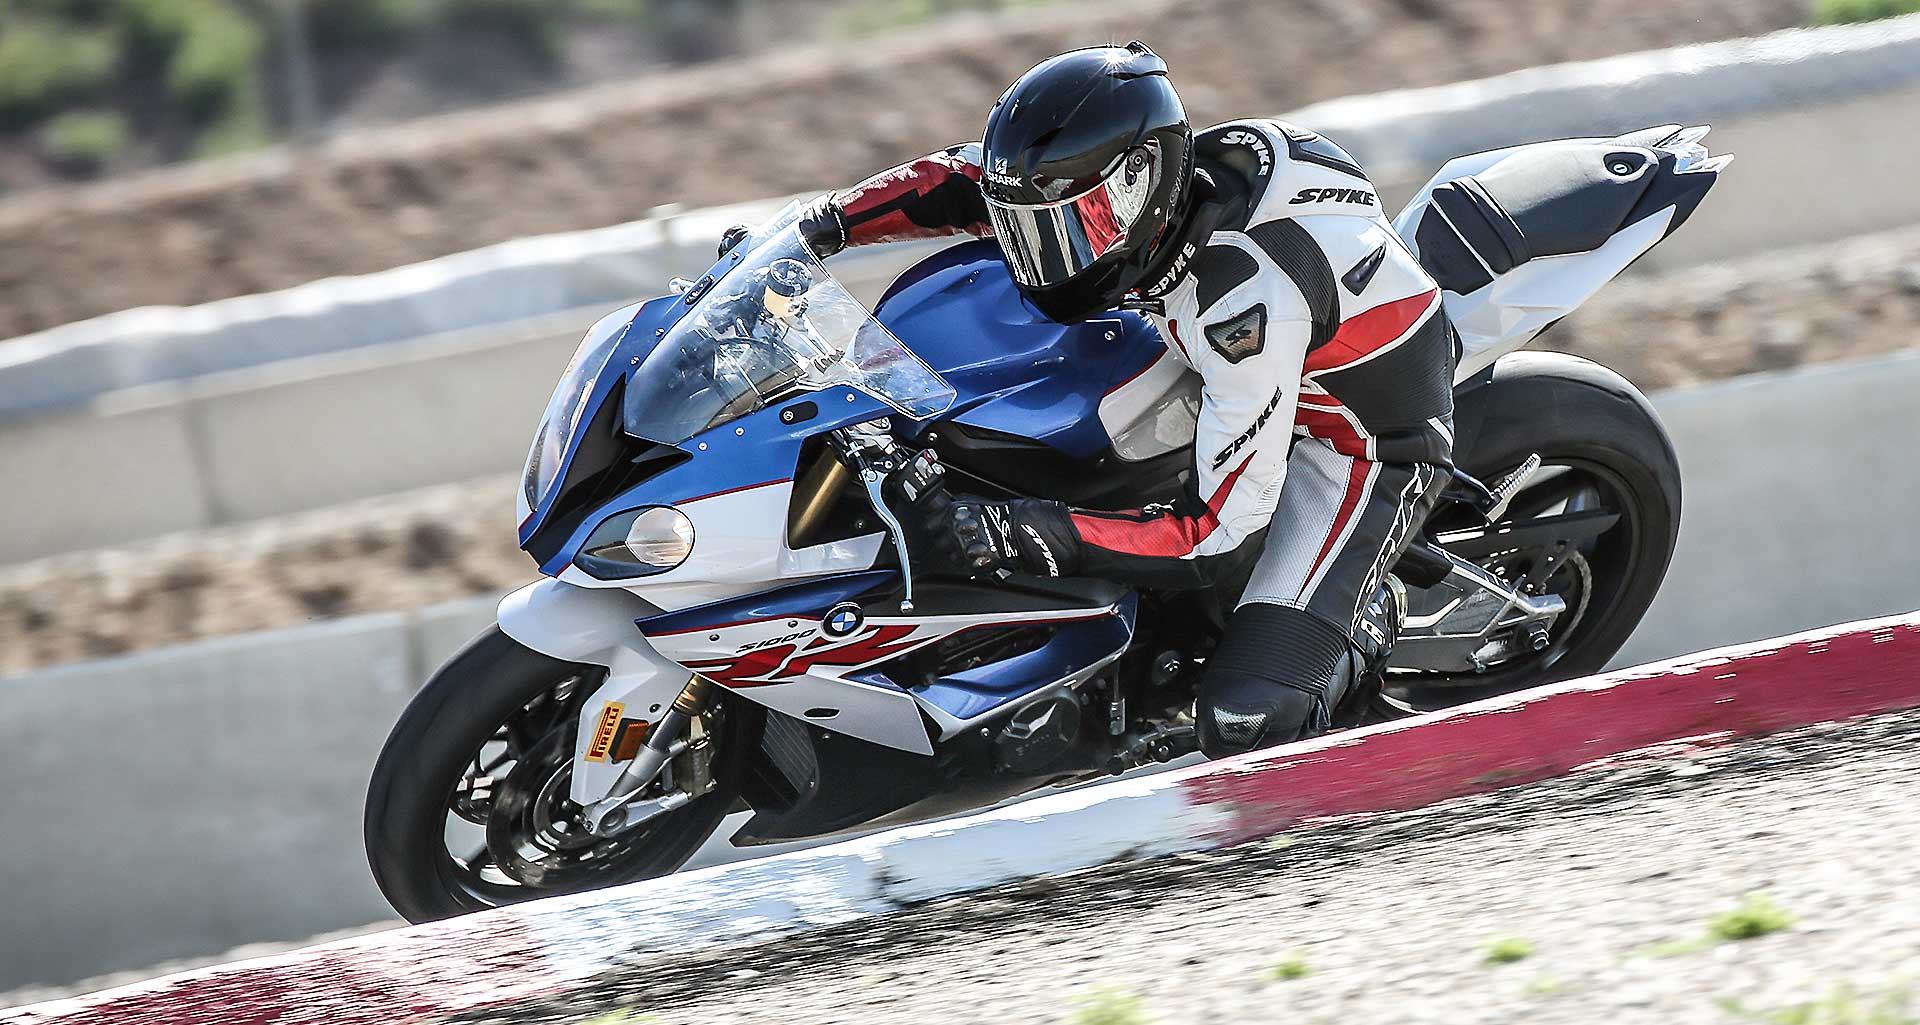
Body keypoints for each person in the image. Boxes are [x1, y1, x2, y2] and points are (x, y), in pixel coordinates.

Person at [788, 42, 1454, 757]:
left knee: (1246, 722)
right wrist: (817, 228)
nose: (1049, 255)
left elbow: (1215, 534)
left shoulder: (1240, 305)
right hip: (1259, 362)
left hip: (1358, 445)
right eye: (1034, 231)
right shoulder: (1148, 192)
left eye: (1075, 229)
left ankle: (1365, 619)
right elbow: (958, 181)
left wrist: (1026, 532)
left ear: (1144, 183)